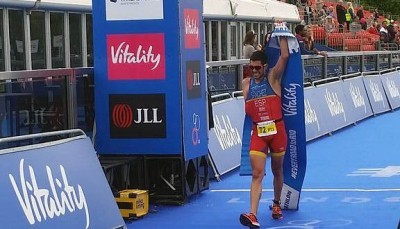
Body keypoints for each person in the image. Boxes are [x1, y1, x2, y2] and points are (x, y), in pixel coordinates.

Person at [239, 27, 289, 228]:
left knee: (277, 170)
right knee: (257, 174)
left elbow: (284, 55)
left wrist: (283, 32)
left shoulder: (273, 78)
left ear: (266, 67)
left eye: (258, 68)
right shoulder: (246, 83)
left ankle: (276, 203)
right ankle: (253, 214)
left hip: (277, 131)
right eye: (252, 68)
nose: (255, 71)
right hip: (259, 132)